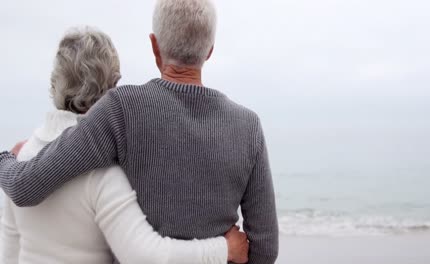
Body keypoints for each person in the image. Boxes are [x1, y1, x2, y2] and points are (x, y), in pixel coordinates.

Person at [0, 0, 279, 262]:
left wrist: (5, 161)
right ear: (209, 50)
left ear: (155, 46)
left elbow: (26, 187)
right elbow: (265, 248)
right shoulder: (248, 126)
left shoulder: (122, 110)